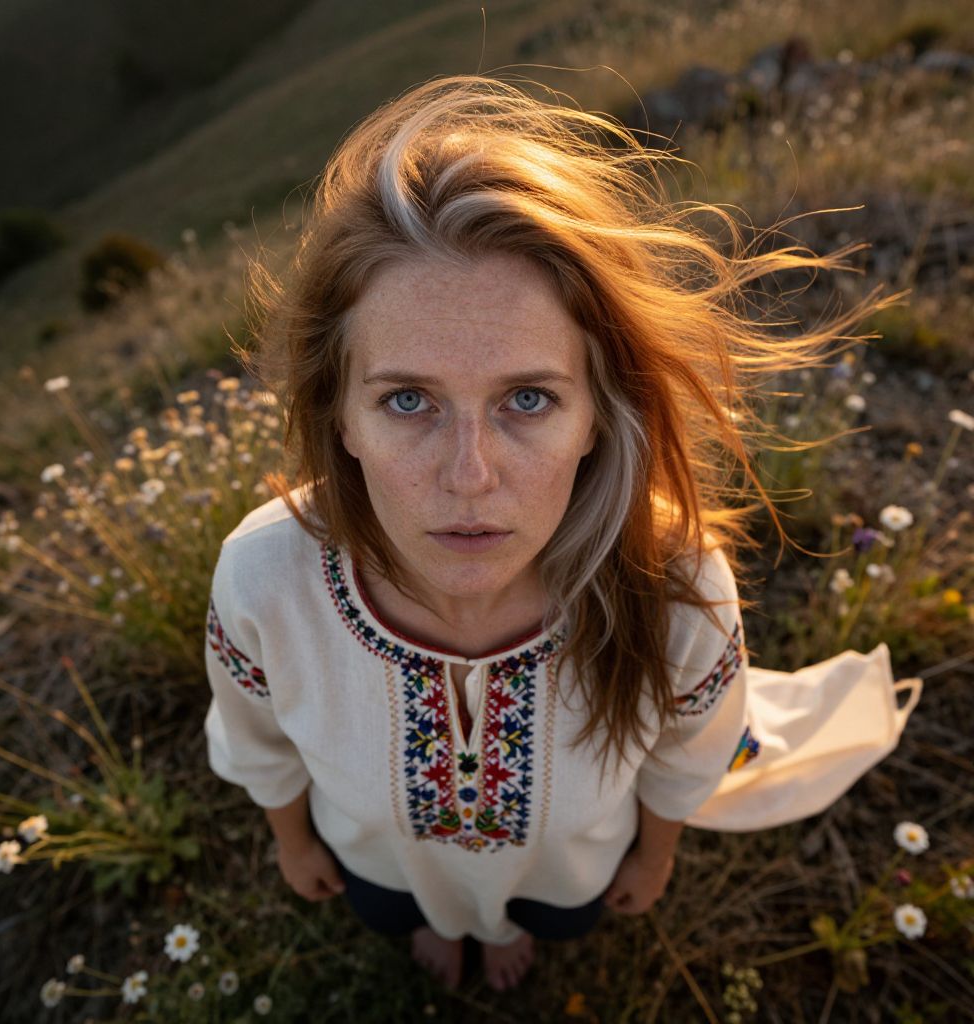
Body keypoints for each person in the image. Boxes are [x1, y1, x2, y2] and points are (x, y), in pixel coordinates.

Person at [202, 75, 915, 992]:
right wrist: (291, 841)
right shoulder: (264, 578)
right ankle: (445, 921)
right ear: (338, 415)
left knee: (550, 915)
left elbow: (685, 757)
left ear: (596, 418)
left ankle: (503, 928)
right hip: (377, 870)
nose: (469, 477)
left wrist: (653, 860)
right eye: (407, 400)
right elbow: (255, 735)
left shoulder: (676, 586)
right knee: (402, 908)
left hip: (573, 875)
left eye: (528, 399)